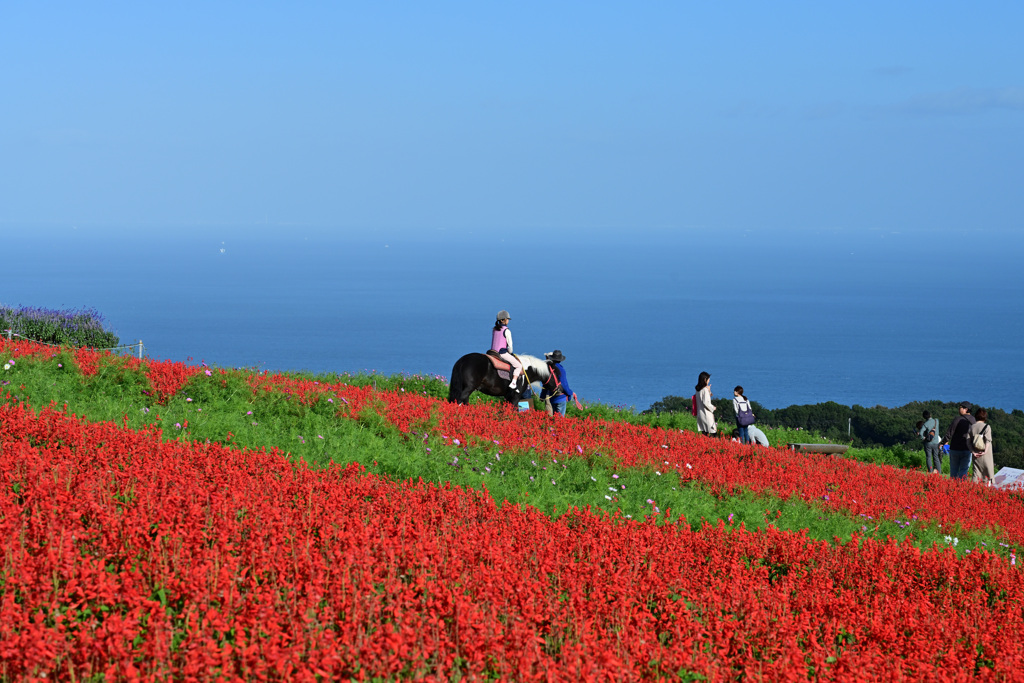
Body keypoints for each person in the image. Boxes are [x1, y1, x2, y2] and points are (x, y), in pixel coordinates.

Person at [943, 401, 976, 480]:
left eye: (960, 407)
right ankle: (961, 488)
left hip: (955, 448)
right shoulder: (973, 420)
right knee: (964, 470)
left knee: (954, 470)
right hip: (967, 449)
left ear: (966, 409)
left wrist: (942, 442)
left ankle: (953, 487)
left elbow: (949, 433)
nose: (959, 409)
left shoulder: (957, 419)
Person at [490, 310, 522, 388]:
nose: (508, 321)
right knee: (518, 366)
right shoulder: (506, 330)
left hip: (492, 352)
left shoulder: (495, 329)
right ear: (503, 320)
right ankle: (514, 382)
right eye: (507, 319)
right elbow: (510, 346)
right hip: (502, 353)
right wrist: (510, 352)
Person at [540, 349, 575, 416]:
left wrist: (542, 396)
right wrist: (570, 393)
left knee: (555, 418)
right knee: (560, 420)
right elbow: (564, 384)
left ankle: (552, 426)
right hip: (561, 397)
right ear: (560, 360)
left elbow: (545, 384)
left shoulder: (548, 369)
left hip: (552, 397)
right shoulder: (561, 369)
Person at [969, 408, 994, 485]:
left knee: (976, 473)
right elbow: (988, 440)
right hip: (986, 454)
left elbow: (968, 442)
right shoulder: (987, 427)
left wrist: (973, 452)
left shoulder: (972, 427)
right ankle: (986, 492)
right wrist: (985, 451)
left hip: (975, 453)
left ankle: (974, 490)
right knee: (988, 473)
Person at [695, 371, 717, 436]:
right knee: (713, 434)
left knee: (704, 434)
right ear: (705, 380)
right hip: (707, 414)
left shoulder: (698, 389)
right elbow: (706, 402)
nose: (709, 381)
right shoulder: (705, 390)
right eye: (708, 380)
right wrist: (713, 408)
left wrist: (709, 390)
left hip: (700, 414)